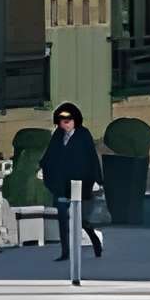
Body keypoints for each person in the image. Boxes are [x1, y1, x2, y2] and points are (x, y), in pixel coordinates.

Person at [41, 102, 104, 261]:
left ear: (75, 120)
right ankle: (65, 252)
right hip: (61, 184)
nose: (65, 124)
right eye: (62, 121)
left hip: (80, 183)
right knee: (63, 218)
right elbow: (50, 155)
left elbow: (92, 157)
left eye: (68, 120)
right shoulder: (57, 135)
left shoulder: (83, 134)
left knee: (80, 219)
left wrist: (97, 179)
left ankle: (94, 238)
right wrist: (43, 167)